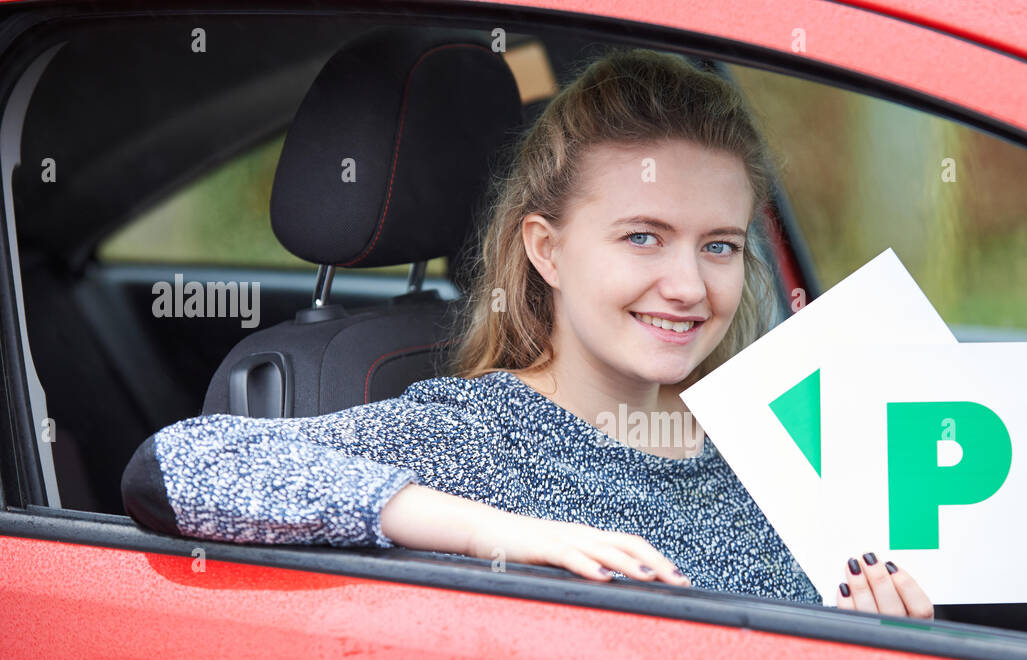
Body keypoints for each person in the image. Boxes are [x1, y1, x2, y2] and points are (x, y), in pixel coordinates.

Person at [121, 49, 933, 620]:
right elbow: (179, 468)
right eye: (642, 237)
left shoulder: (773, 438)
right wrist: (501, 533)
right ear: (547, 249)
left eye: (718, 245)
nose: (688, 286)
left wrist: (888, 647)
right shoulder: (476, 438)